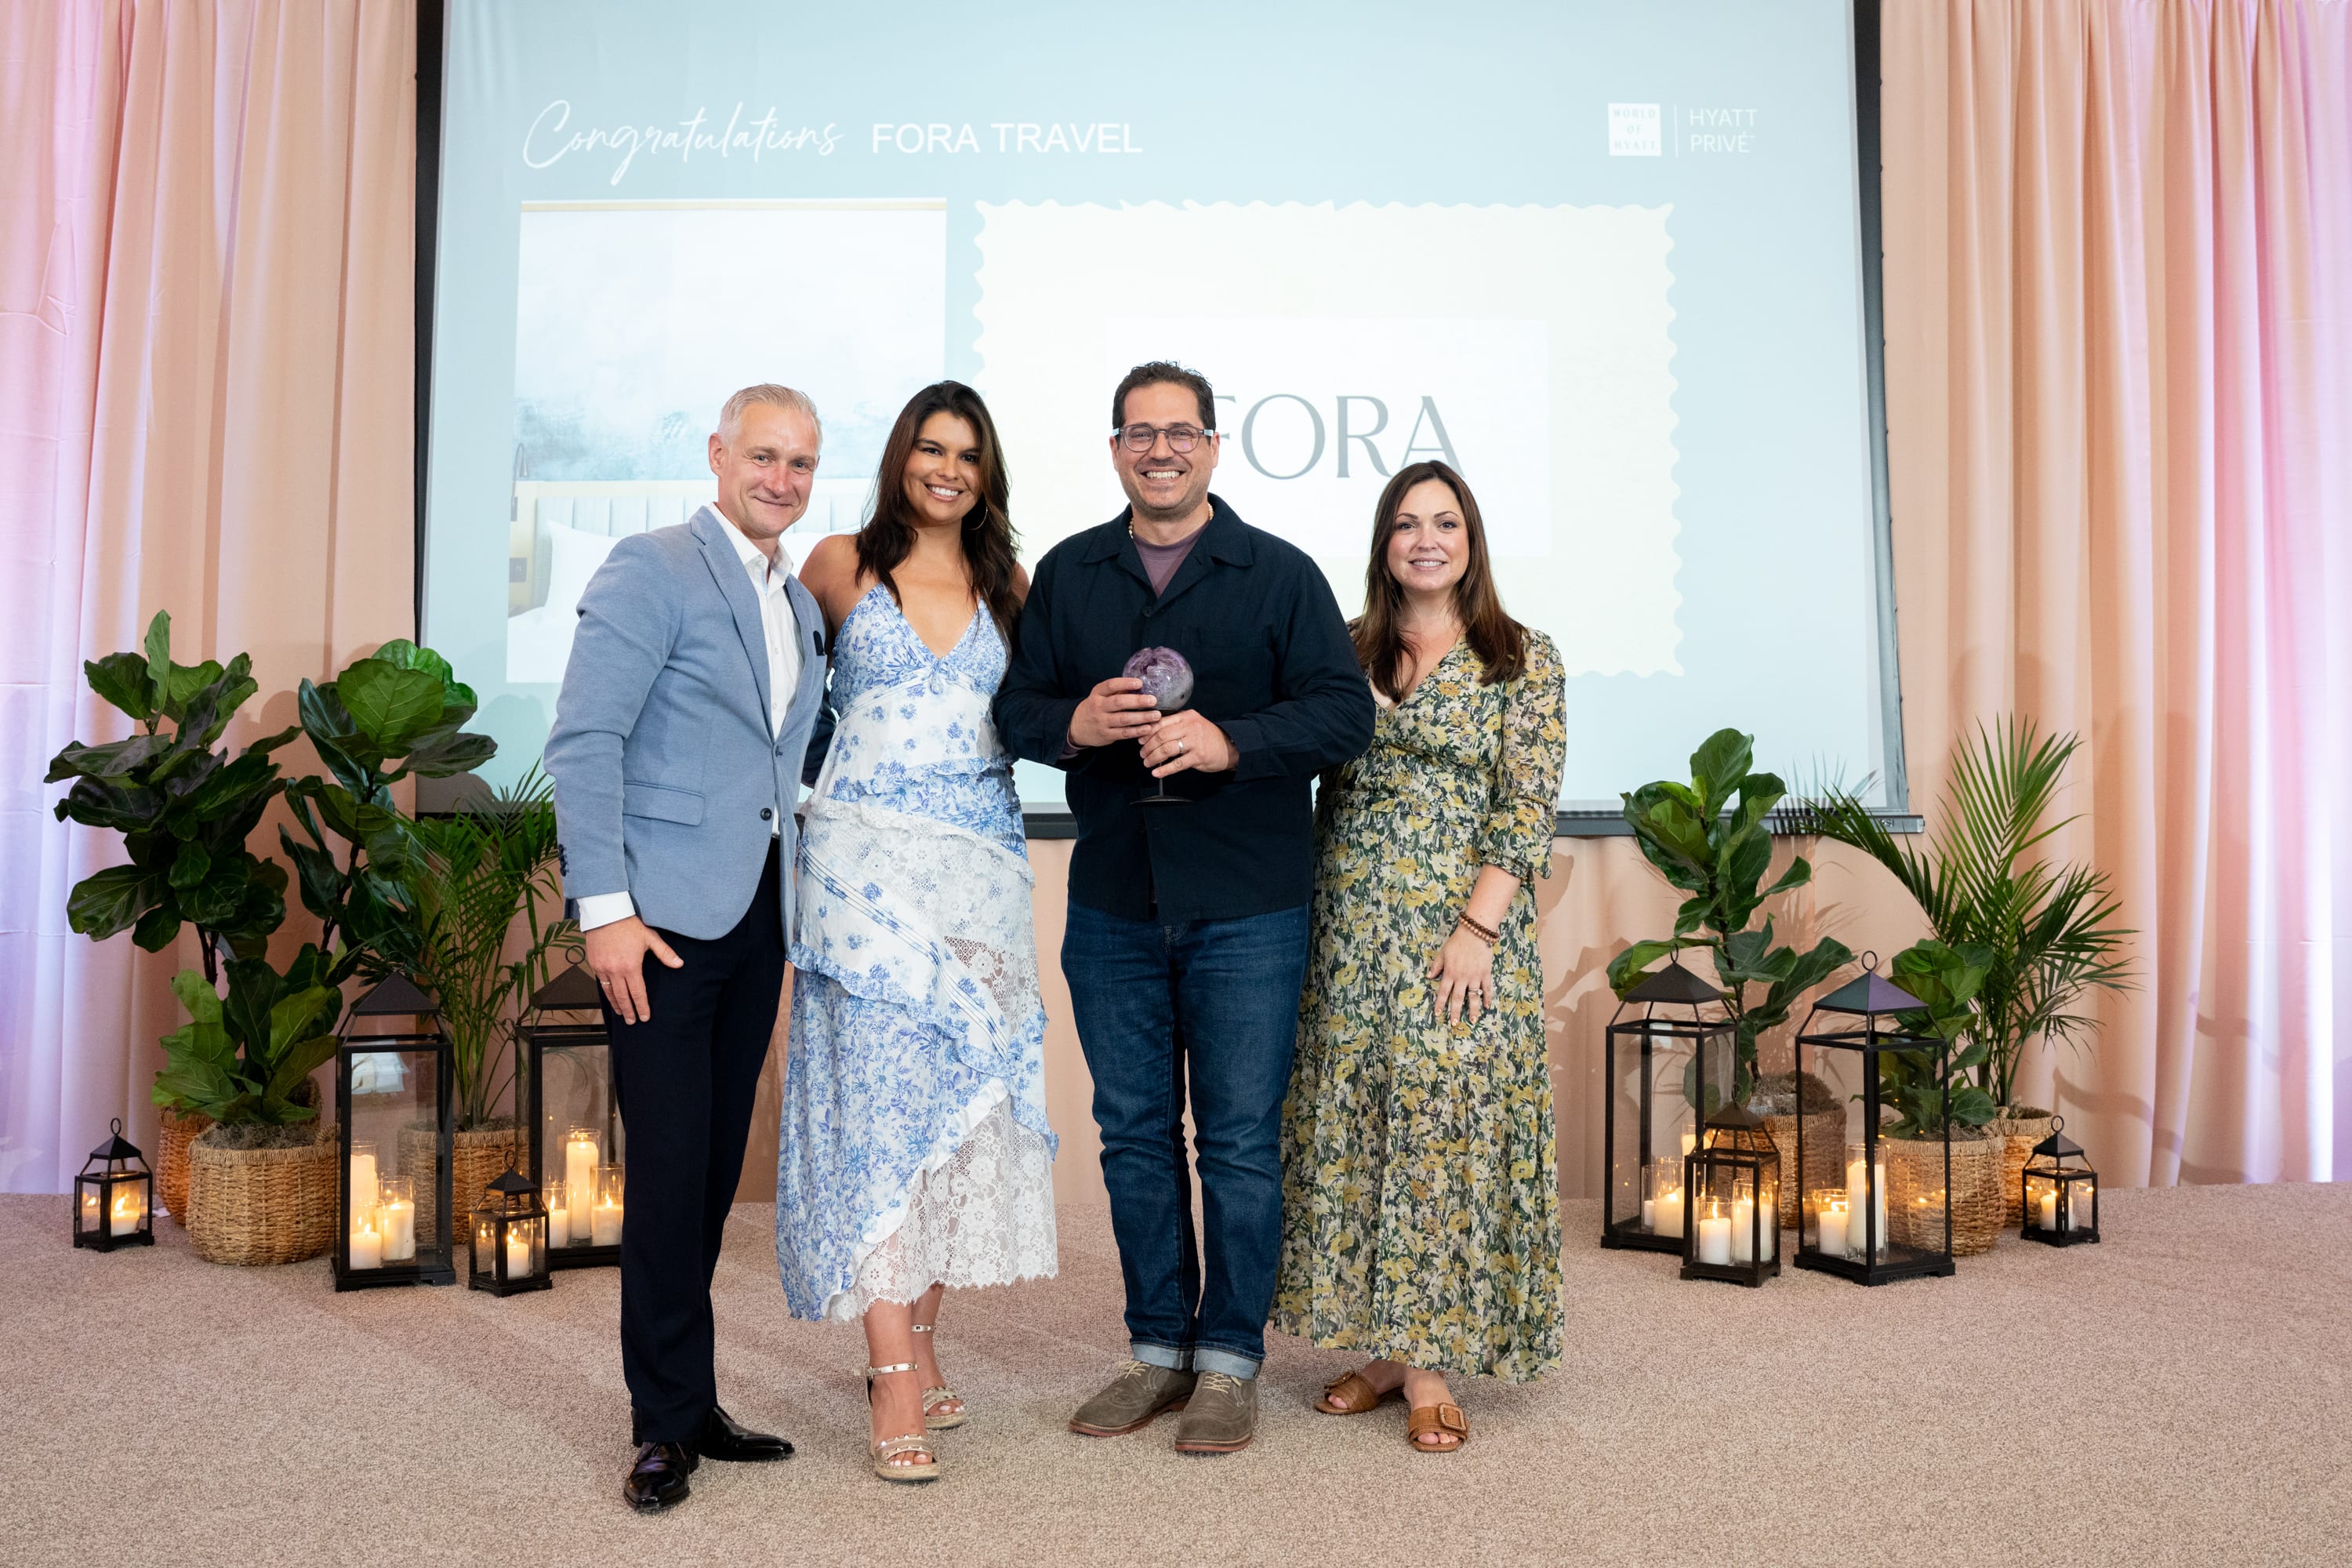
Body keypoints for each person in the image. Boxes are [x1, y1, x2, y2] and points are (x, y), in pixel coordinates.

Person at [994, 361, 1375, 1455]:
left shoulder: (1280, 574)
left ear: (1213, 447)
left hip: (1249, 906)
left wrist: (1232, 742)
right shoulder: (1070, 572)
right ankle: (1157, 1348)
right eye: (1139, 433)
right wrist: (1077, 724)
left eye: (1182, 432)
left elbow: (1343, 715)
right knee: (1134, 1138)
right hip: (1114, 900)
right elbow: (1014, 709)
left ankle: (1229, 1362)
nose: (1161, 449)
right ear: (1114, 450)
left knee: (1243, 1145)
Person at [544, 384, 829, 1512]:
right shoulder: (651, 565)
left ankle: (692, 1397)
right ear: (717, 455)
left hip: (758, 920)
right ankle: (660, 1426)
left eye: (802, 464)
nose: (782, 480)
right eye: (764, 456)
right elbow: (584, 739)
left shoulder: (798, 601)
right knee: (668, 1173)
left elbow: (776, 765)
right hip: (654, 925)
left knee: (710, 1175)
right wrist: (603, 909)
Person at [779, 381, 1058, 1483]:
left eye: (969, 455)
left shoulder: (1012, 586)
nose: (948, 468)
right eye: (931, 448)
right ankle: (890, 1377)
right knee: (876, 1120)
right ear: (902, 457)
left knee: (960, 1108)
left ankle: (920, 1338)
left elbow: (1036, 722)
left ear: (987, 476)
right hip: (862, 875)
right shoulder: (839, 566)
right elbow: (790, 726)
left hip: (982, 874)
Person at [1272, 459, 1566, 1452]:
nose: (1426, 539)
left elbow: (1525, 806)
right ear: (1383, 542)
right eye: (1406, 523)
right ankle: (1389, 1348)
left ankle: (1431, 1359)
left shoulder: (1523, 657)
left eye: (1446, 522)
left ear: (1472, 539)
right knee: (1362, 1130)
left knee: (1440, 1137)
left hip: (1460, 936)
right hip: (1349, 928)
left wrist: (1478, 930)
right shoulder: (1341, 648)